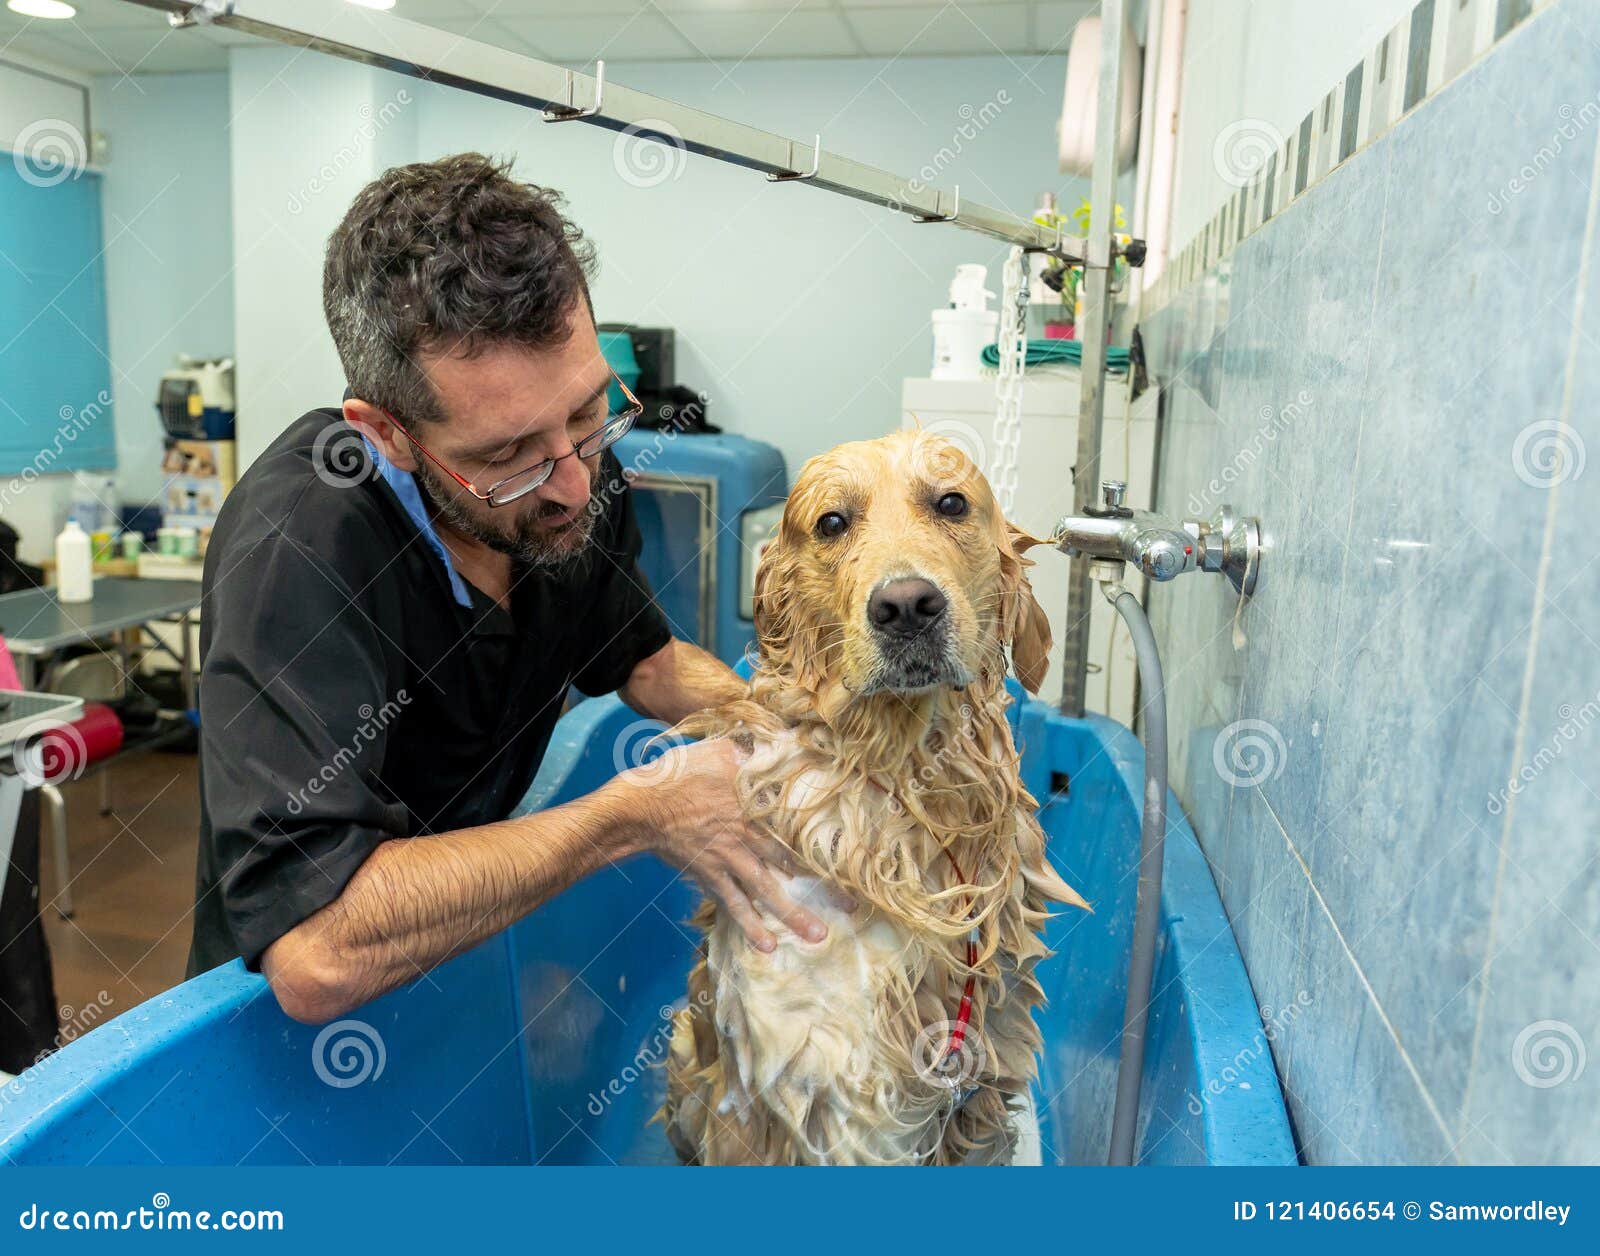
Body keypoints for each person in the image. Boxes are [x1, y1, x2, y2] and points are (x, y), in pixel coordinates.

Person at [189, 153, 830, 1023]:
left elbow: (643, 661)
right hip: (278, 1042)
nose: (571, 484)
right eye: (507, 456)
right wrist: (634, 816)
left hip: (460, 957)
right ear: (387, 433)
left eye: (587, 414)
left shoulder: (571, 471)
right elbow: (318, 954)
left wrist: (800, 743)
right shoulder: (297, 550)